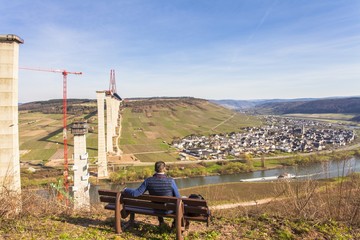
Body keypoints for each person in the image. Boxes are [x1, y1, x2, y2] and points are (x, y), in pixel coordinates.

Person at [123, 161, 181, 226]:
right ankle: (174, 224)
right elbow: (178, 197)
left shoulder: (148, 181)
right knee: (179, 203)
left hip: (155, 208)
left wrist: (126, 189)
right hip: (169, 210)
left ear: (155, 169)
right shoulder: (171, 181)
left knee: (158, 200)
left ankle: (161, 222)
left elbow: (136, 193)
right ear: (164, 168)